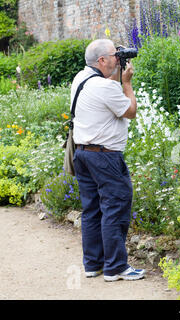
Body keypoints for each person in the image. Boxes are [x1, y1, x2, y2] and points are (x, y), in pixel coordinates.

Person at [71, 39, 144, 281]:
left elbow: (103, 93)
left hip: (82, 154)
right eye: (115, 54)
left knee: (92, 210)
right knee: (115, 207)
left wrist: (116, 77)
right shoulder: (106, 87)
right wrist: (127, 83)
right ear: (102, 60)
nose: (119, 58)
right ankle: (115, 267)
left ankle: (94, 264)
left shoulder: (81, 79)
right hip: (105, 157)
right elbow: (130, 111)